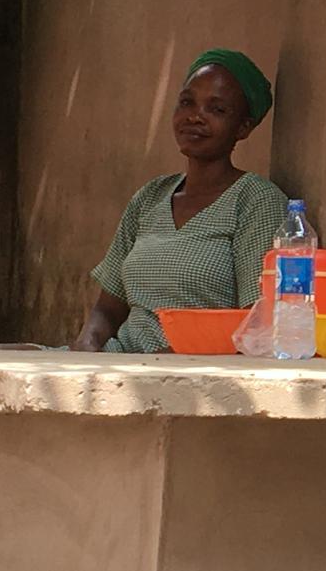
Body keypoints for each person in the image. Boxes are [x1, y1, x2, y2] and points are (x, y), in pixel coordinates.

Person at [74, 49, 287, 352]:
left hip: (193, 373)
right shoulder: (150, 196)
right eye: (187, 102)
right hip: (119, 361)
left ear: (243, 127)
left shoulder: (256, 201)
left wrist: (176, 361)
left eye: (217, 109)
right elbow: (107, 309)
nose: (194, 116)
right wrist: (87, 346)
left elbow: (257, 326)